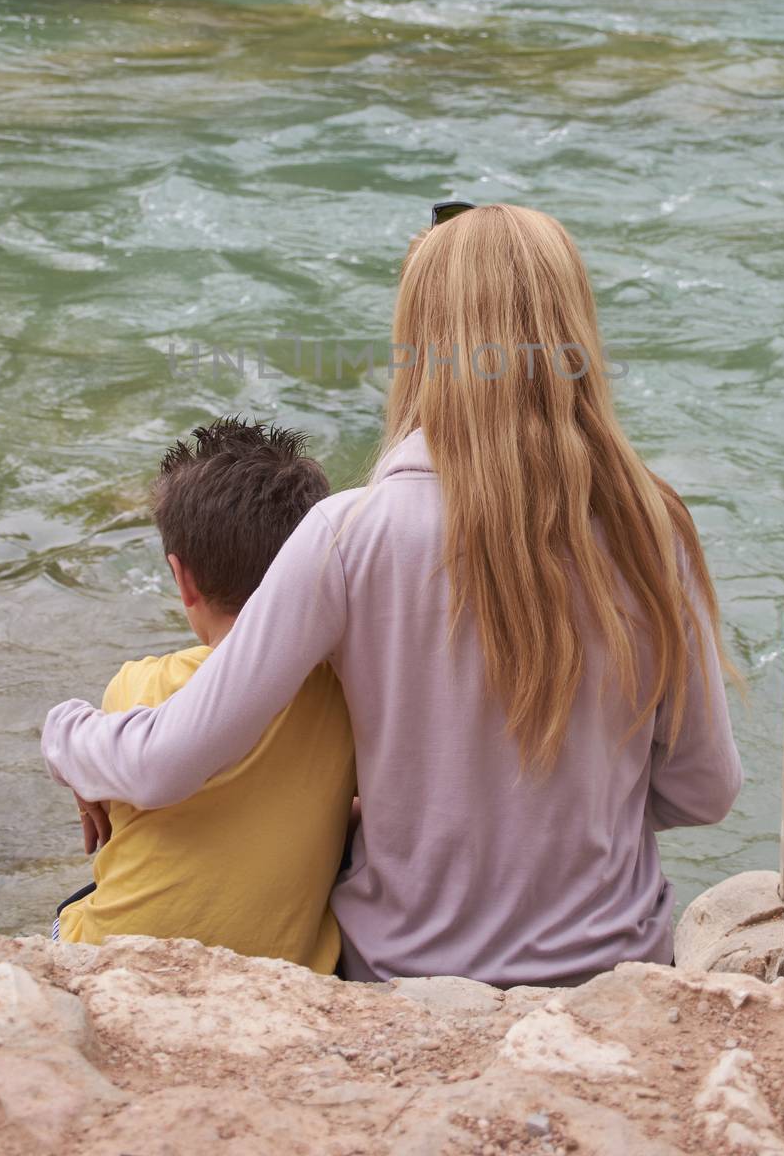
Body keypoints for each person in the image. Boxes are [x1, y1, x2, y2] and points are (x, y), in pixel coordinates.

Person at [44, 204, 742, 986]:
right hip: (612, 967)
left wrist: (66, 734)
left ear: (418, 343)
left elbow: (171, 761)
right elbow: (705, 789)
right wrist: (559, 815)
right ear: (574, 331)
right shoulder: (654, 525)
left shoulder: (350, 533)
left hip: (407, 976)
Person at [52, 417, 355, 974]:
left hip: (113, 959)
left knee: (75, 903)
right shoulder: (341, 688)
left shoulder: (138, 685)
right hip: (290, 974)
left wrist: (71, 748)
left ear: (182, 578)